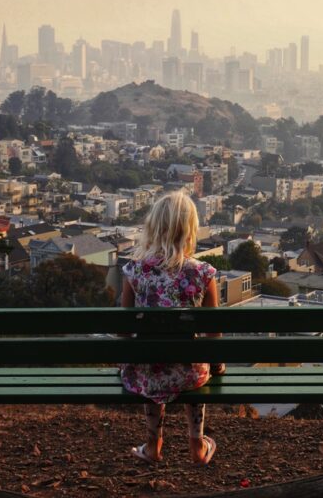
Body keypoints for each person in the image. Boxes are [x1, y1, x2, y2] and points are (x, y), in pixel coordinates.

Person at [119, 190, 223, 466]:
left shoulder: (134, 271)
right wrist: (218, 366)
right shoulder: (203, 273)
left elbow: (123, 329)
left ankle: (153, 446)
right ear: (189, 230)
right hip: (190, 375)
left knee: (152, 363)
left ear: (154, 227)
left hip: (146, 374)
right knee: (195, 364)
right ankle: (197, 445)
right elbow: (214, 334)